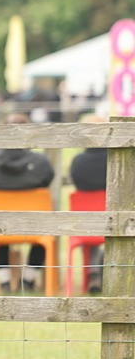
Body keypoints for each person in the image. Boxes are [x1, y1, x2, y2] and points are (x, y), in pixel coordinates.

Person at [0, 115, 55, 293]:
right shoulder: (40, 162)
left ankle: (4, 281)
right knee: (45, 229)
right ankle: (29, 279)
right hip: (34, 222)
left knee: (0, 230)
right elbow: (48, 179)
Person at [69, 119, 107, 294]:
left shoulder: (78, 161)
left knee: (91, 229)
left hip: (85, 222)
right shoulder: (115, 159)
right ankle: (102, 270)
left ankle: (93, 273)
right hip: (113, 218)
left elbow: (76, 183)